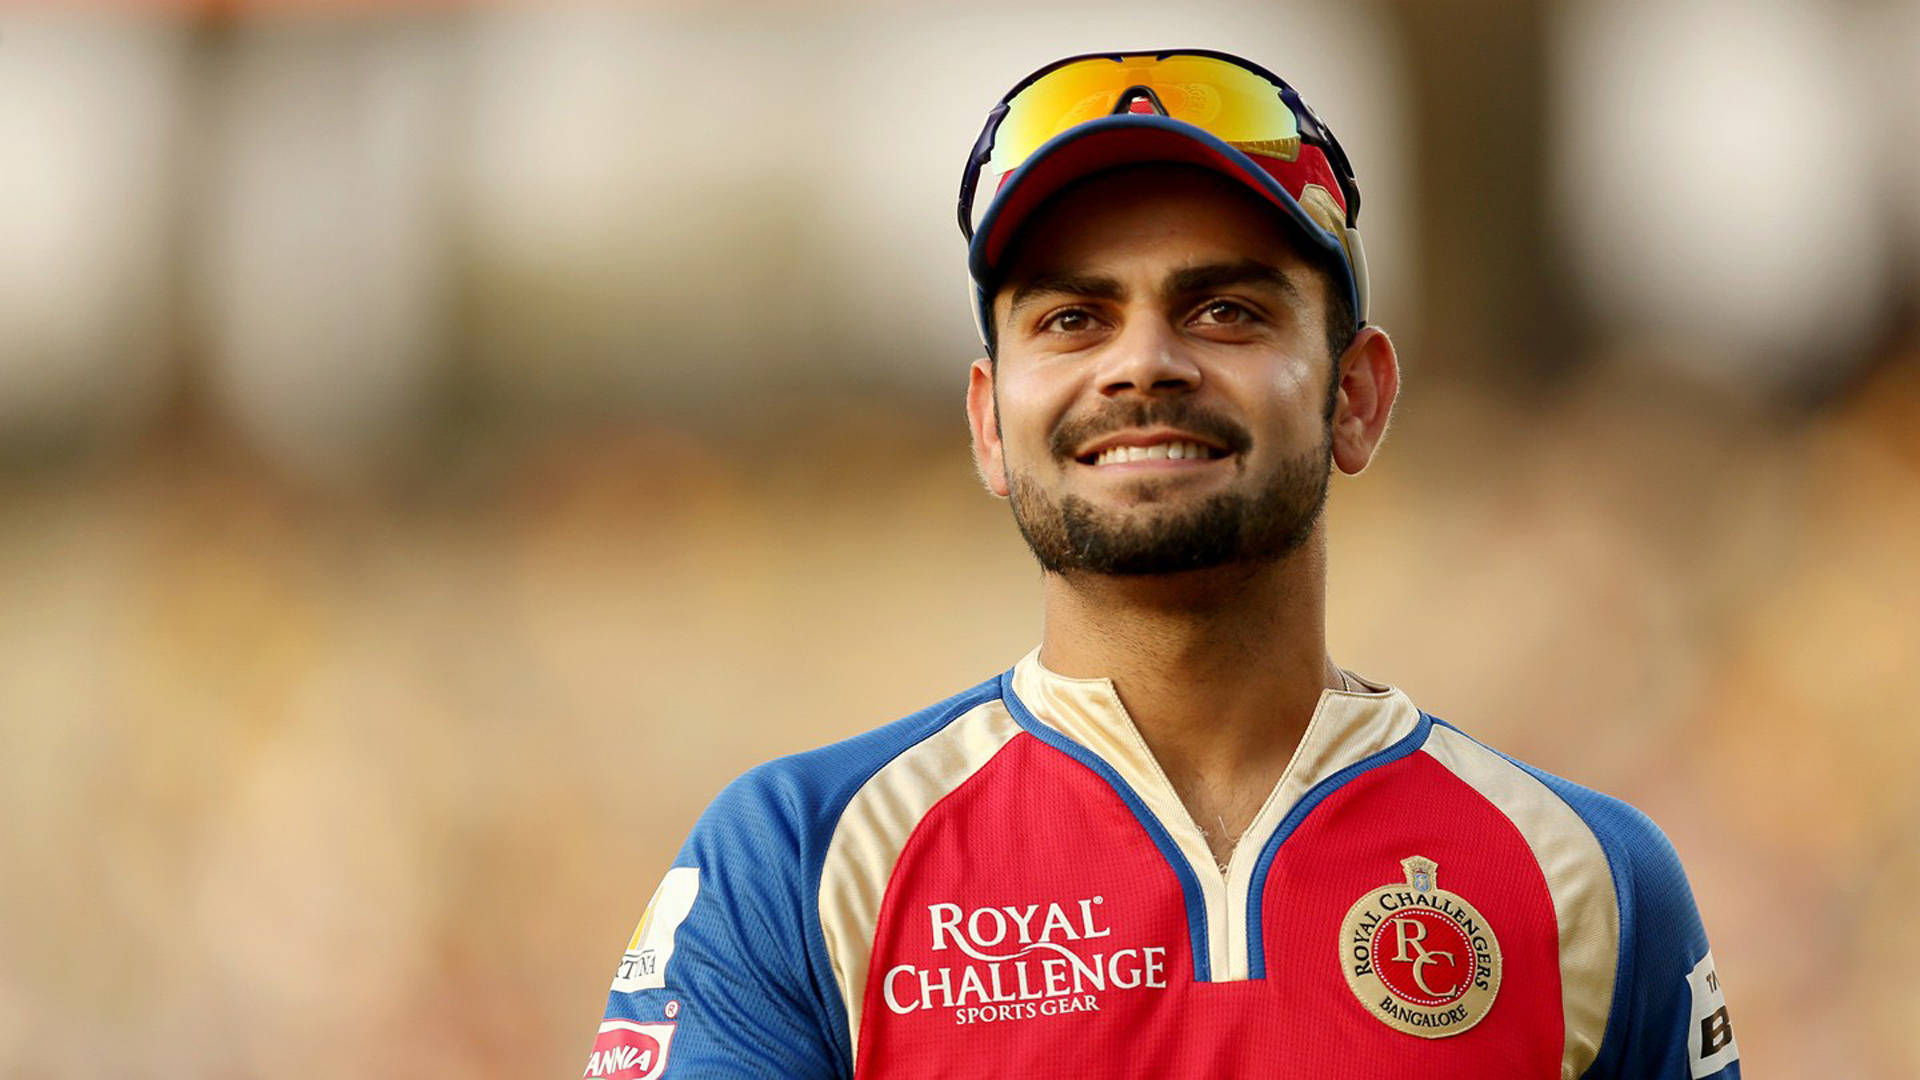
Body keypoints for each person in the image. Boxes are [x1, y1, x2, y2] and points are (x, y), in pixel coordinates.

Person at [582, 50, 1740, 1079]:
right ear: (990, 422)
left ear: (1356, 396)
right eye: (1072, 320)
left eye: (1226, 310)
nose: (1143, 363)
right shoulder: (796, 862)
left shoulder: (1589, 877)